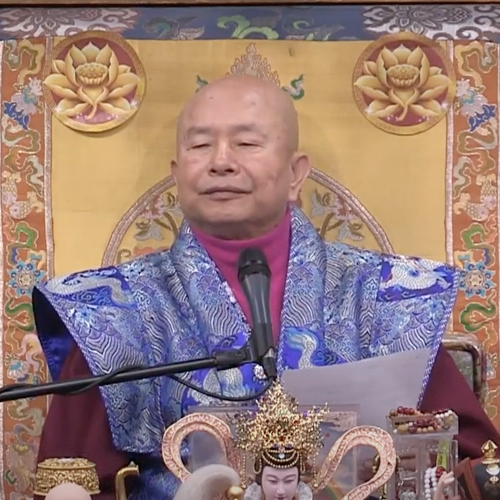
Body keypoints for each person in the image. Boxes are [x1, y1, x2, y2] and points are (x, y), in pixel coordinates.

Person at [33, 74, 500, 500]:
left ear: (296, 173)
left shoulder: (384, 297)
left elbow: (469, 464)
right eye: (200, 145)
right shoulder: (114, 312)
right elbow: (70, 480)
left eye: (246, 143)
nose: (220, 162)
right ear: (176, 175)